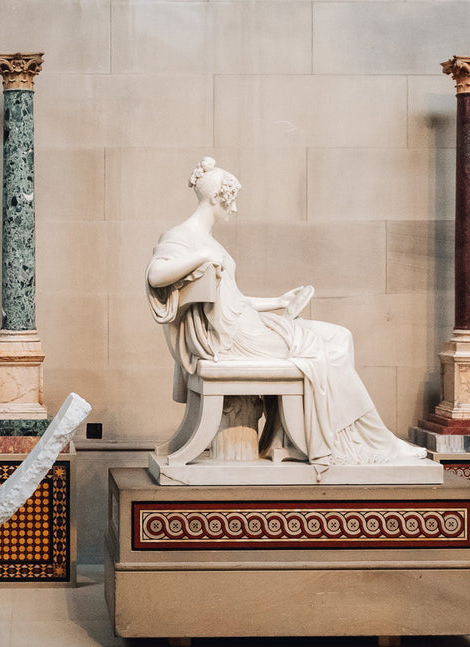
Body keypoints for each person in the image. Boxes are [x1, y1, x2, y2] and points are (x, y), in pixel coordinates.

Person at [146, 157, 426, 466]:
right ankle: (373, 443)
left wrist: (278, 302)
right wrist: (199, 255)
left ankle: (311, 439)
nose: (234, 209)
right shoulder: (183, 237)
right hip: (237, 340)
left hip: (247, 327)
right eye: (232, 201)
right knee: (325, 349)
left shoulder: (209, 241)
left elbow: (235, 302)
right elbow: (156, 275)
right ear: (216, 198)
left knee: (340, 336)